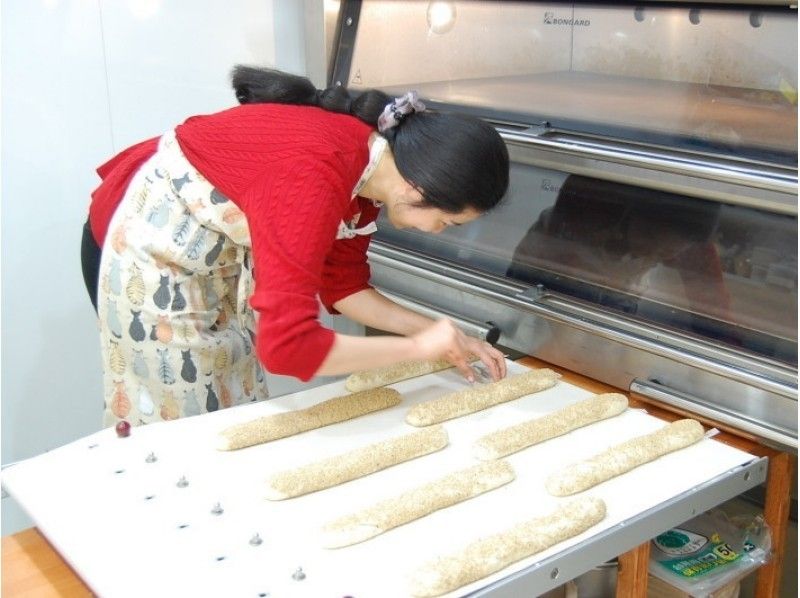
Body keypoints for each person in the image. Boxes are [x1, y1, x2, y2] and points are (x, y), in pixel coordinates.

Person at [82, 66, 510, 427]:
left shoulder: (369, 178)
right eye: (447, 221)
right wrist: (417, 350)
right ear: (419, 186)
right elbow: (287, 349)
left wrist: (442, 333)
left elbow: (343, 287)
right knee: (178, 430)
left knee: (228, 406)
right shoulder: (315, 176)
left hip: (208, 264)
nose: (438, 231)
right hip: (145, 254)